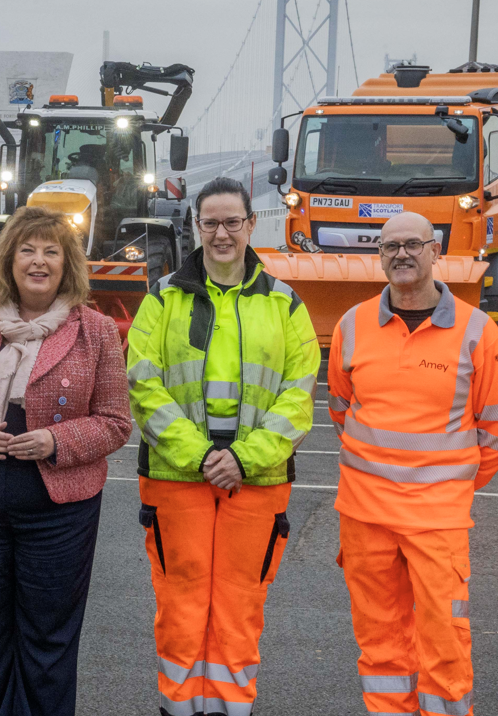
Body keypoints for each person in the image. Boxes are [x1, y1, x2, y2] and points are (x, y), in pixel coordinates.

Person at [0, 205, 131, 716]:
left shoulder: (96, 330)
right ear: (8, 260)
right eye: (27, 250)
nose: (38, 262)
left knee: (48, 641)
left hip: (61, 513)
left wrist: (57, 441)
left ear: (67, 264)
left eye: (51, 252)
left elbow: (117, 421)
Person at [127, 177, 321, 716]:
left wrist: (241, 459)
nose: (221, 233)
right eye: (209, 222)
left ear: (250, 224)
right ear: (195, 226)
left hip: (255, 482)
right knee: (180, 607)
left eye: (231, 221)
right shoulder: (160, 298)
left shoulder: (286, 305)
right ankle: (180, 709)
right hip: (175, 479)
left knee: (239, 608)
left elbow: (298, 397)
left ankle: (233, 709)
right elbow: (144, 385)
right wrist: (200, 457)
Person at [327, 211, 498, 716]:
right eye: (390, 247)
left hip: (437, 521)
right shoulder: (353, 325)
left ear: (436, 251)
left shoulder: (478, 332)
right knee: (380, 642)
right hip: (365, 519)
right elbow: (342, 408)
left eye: (413, 244)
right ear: (380, 257)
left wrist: (453, 482)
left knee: (445, 643)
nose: (402, 255)